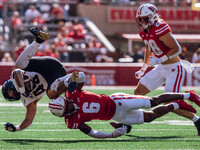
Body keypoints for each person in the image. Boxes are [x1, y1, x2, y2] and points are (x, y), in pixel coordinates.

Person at [47, 71, 200, 139]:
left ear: (65, 100)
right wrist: (111, 135)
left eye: (67, 105)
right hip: (116, 115)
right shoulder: (71, 121)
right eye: (67, 111)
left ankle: (188, 95)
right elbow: (92, 133)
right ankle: (176, 105)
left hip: (117, 101)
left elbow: (79, 75)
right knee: (149, 117)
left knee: (152, 102)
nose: (70, 108)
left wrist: (68, 81)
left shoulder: (72, 93)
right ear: (64, 115)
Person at [133, 3, 200, 136]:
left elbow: (177, 49)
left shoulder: (160, 27)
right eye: (140, 19)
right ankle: (126, 123)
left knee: (169, 103)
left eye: (144, 19)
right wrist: (144, 68)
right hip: (161, 67)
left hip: (174, 69)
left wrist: (160, 59)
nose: (142, 22)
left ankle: (197, 120)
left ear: (153, 17)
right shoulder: (144, 31)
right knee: (138, 92)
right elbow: (149, 48)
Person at [2, 27, 67, 132]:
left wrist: (23, 90)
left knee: (19, 64)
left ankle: (39, 40)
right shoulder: (27, 100)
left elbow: (18, 72)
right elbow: (28, 120)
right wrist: (16, 128)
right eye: (12, 96)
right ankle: (70, 81)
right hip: (55, 77)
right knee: (51, 96)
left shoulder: (16, 78)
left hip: (47, 66)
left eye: (11, 93)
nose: (13, 95)